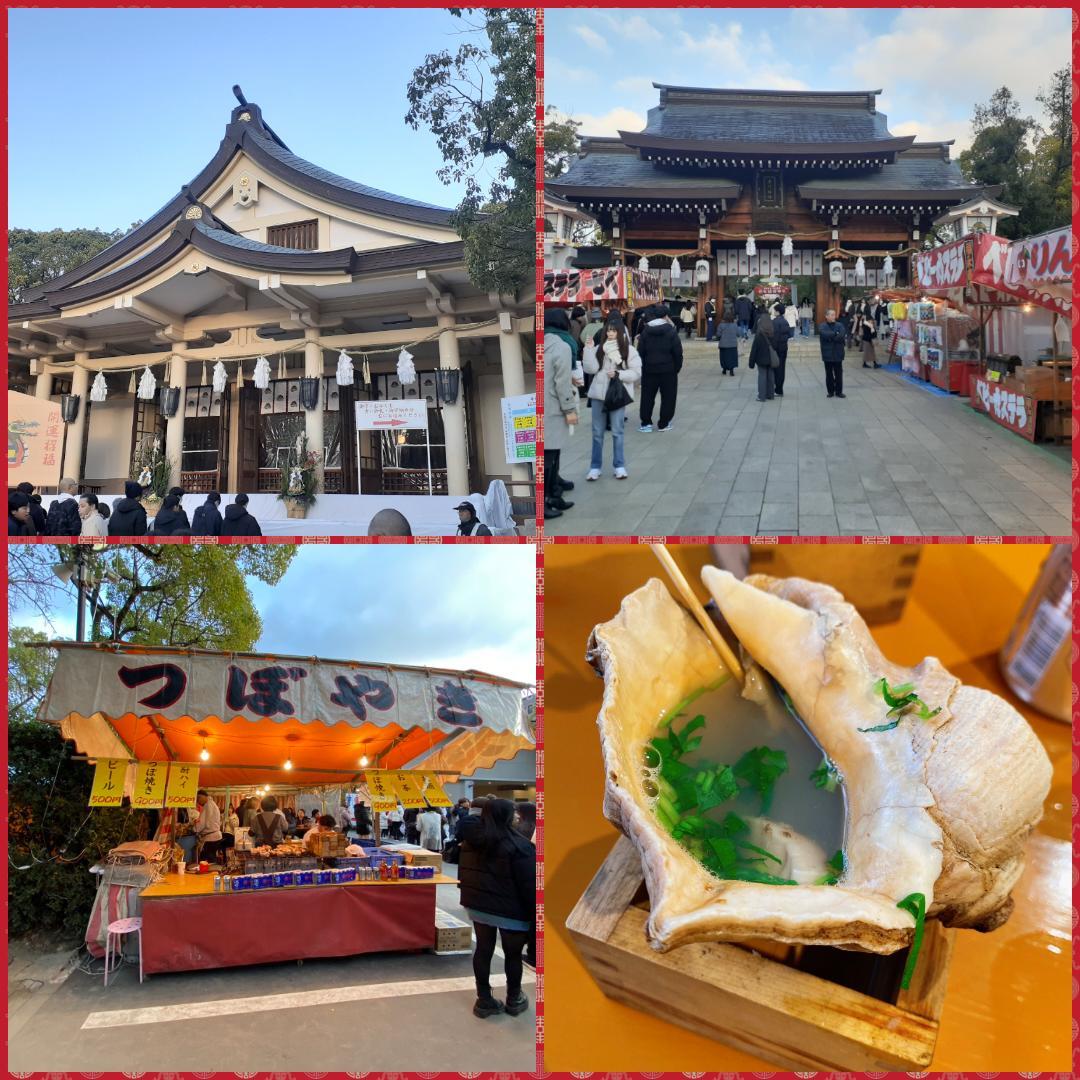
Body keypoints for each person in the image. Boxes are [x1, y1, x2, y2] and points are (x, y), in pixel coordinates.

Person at [458, 798, 535, 1019]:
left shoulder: (470, 841)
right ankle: (514, 998)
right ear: (506, 816)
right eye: (514, 813)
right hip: (512, 912)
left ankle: (484, 1000)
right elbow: (529, 887)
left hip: (479, 907)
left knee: (483, 950)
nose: (517, 816)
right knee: (512, 955)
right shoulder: (520, 847)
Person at [583, 314, 641, 481]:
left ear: (620, 332)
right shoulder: (600, 348)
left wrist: (619, 374)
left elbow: (637, 373)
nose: (610, 334)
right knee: (597, 432)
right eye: (608, 331)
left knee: (617, 431)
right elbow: (591, 369)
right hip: (598, 394)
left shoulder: (628, 350)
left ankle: (619, 465)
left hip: (617, 394)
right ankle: (595, 467)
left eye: (614, 331)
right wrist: (588, 349)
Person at [542, 307, 579, 520]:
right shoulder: (562, 347)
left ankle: (553, 498)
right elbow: (561, 383)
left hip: (543, 408)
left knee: (549, 455)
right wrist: (570, 410)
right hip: (555, 409)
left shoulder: (543, 344)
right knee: (551, 457)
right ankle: (547, 500)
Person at [637, 304, 683, 433]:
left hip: (649, 369)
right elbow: (677, 352)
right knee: (668, 396)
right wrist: (676, 368)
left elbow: (640, 352)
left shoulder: (645, 332)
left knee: (647, 396)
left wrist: (642, 367)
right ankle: (664, 423)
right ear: (666, 316)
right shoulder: (671, 331)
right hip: (668, 369)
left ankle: (646, 423)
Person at [818, 308, 848, 399]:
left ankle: (839, 391)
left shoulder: (840, 325)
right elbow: (824, 334)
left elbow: (842, 335)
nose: (833, 316)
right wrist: (835, 334)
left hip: (838, 353)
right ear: (826, 316)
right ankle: (830, 391)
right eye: (831, 314)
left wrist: (832, 337)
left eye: (834, 314)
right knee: (829, 374)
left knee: (839, 373)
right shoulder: (822, 326)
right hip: (827, 353)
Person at [748, 316, 777, 402]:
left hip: (761, 359)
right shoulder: (773, 334)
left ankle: (761, 396)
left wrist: (751, 362)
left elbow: (754, 350)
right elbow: (776, 346)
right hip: (771, 359)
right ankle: (770, 394)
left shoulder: (758, 336)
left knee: (762, 376)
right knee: (771, 376)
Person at [193, 789, 224, 863]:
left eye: (198, 799)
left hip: (211, 838)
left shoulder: (207, 806)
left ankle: (211, 873)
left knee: (205, 859)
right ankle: (213, 872)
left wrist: (194, 829)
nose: (198, 802)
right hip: (215, 836)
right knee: (211, 857)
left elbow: (202, 823)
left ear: (201, 797)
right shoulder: (212, 804)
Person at [771, 304, 793, 397]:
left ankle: (777, 389)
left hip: (777, 348)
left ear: (778, 311)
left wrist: (773, 347)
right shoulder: (785, 321)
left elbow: (774, 336)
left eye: (774, 310)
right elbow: (789, 334)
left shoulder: (775, 322)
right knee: (781, 368)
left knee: (776, 369)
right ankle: (780, 389)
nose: (774, 312)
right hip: (784, 347)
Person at [716, 310, 739, 376]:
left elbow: (718, 334)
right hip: (733, 344)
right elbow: (738, 334)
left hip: (723, 344)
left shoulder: (721, 325)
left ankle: (724, 369)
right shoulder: (734, 325)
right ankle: (731, 370)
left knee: (723, 357)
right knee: (732, 357)